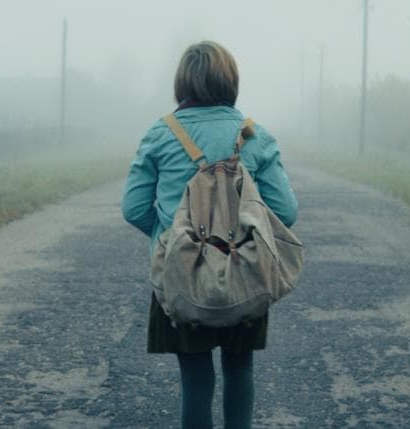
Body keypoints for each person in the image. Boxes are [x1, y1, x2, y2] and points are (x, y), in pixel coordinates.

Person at [121, 41, 298, 429]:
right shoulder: (255, 136)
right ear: (230, 81)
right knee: (240, 368)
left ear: (182, 82)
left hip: (180, 275)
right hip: (244, 272)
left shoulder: (160, 134)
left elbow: (133, 208)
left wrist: (169, 236)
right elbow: (286, 212)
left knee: (195, 376)